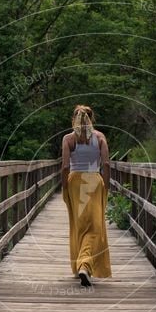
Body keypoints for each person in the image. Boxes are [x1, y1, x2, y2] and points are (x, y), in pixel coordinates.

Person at [61, 104, 112, 286]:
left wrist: (64, 186)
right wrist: (105, 185)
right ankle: (85, 265)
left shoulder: (68, 139)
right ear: (92, 118)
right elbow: (106, 163)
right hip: (94, 181)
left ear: (73, 119)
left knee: (79, 225)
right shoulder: (99, 137)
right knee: (95, 226)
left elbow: (66, 166)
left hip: (75, 182)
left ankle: (81, 264)